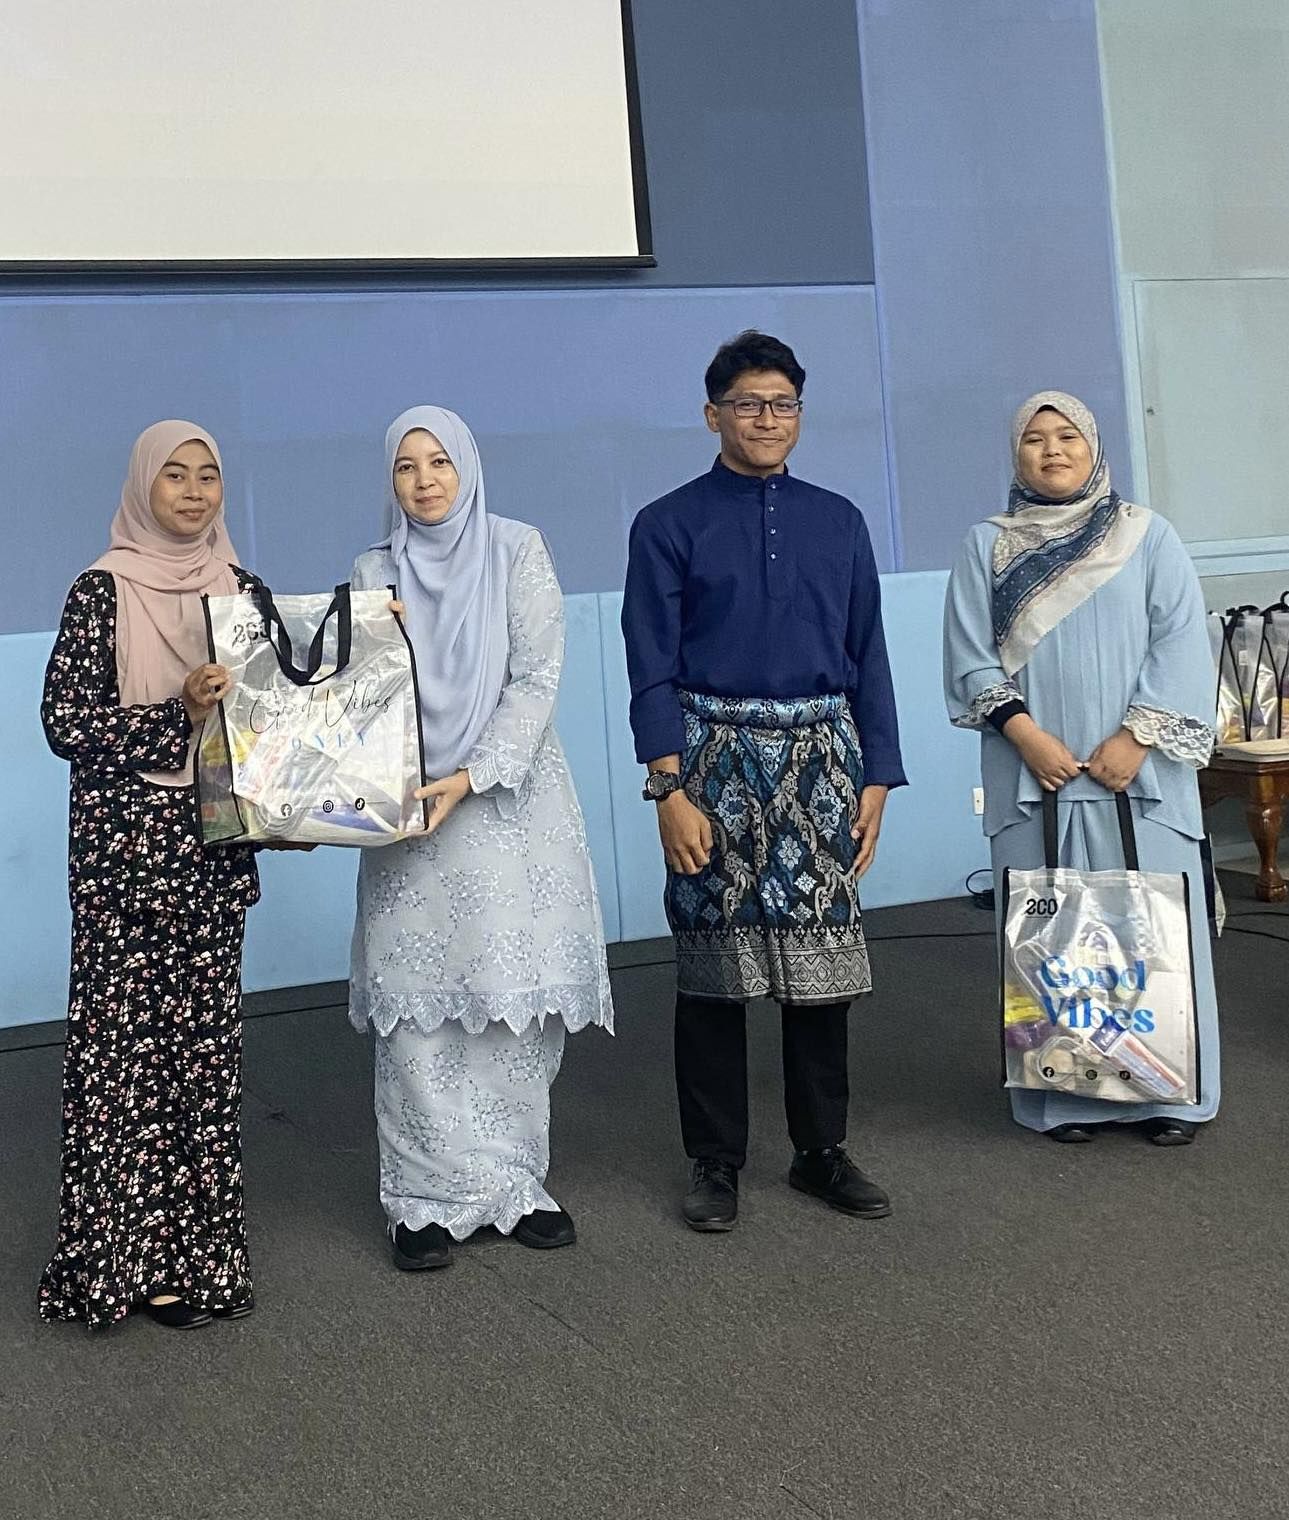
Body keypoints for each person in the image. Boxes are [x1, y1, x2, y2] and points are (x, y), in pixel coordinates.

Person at [621, 330, 907, 1232]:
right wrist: (666, 790)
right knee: (711, 971)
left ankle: (821, 1150)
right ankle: (714, 1160)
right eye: (748, 404)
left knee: (822, 970)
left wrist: (878, 775)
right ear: (712, 414)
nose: (767, 419)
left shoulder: (840, 520)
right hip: (710, 765)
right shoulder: (666, 522)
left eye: (783, 404)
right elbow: (649, 666)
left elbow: (868, 654)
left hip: (822, 760)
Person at [349, 406, 612, 1270]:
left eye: (439, 462)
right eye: (406, 466)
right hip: (408, 808)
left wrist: (471, 774)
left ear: (466, 468)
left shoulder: (514, 549)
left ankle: (514, 1184)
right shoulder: (374, 569)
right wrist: (371, 640)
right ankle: (419, 1199)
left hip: (506, 807)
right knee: (416, 1006)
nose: (424, 480)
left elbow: (535, 677)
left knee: (509, 999)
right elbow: (353, 695)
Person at [944, 390, 1219, 1144]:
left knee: (1156, 932)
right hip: (1036, 779)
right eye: (1035, 439)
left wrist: (1136, 737)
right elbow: (970, 656)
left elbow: (1179, 643)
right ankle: (1062, 1097)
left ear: (1094, 447)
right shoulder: (988, 545)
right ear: (1016, 455)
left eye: (1067, 436)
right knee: (1050, 940)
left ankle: (1168, 1095)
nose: (1053, 450)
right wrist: (1026, 735)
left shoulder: (1146, 535)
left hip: (1142, 779)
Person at [39, 421, 262, 1330]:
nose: (194, 491)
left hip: (209, 856)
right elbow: (64, 720)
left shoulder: (240, 590)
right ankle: (120, 1268)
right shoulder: (100, 589)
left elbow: (284, 710)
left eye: (209, 475)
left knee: (201, 1065)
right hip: (123, 864)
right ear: (143, 486)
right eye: (175, 475)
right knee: (122, 1063)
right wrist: (175, 713)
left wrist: (378, 642)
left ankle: (200, 1262)